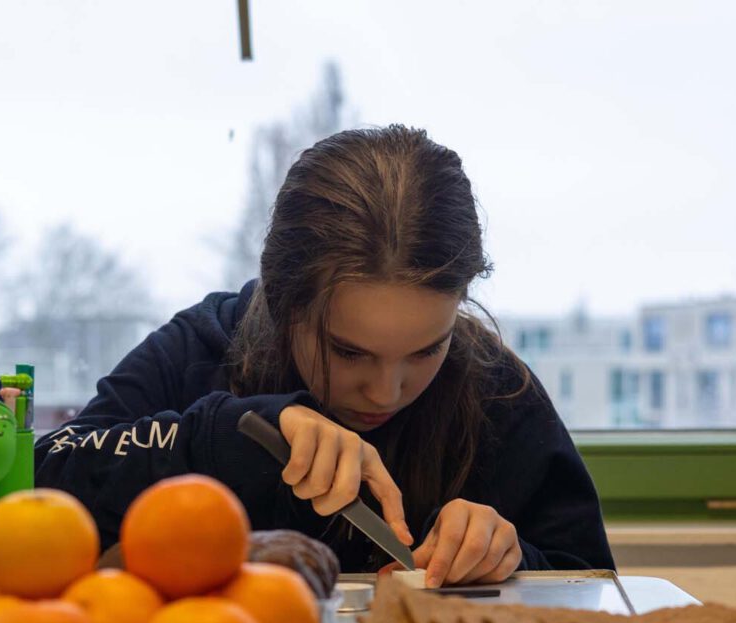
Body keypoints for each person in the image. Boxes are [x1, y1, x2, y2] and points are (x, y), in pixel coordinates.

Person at [37, 125, 612, 586]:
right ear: (283, 303)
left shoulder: (494, 387)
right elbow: (42, 486)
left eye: (427, 350)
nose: (385, 391)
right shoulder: (202, 351)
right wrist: (226, 437)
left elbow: (592, 584)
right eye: (347, 351)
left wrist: (510, 561)